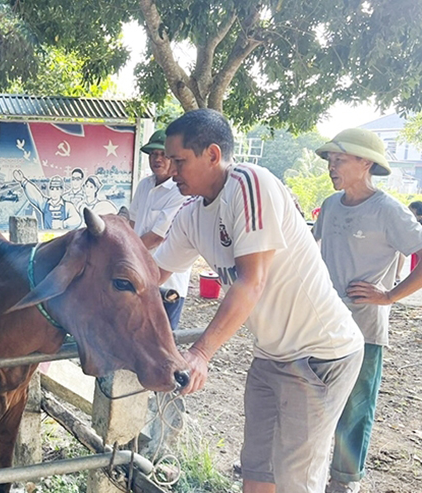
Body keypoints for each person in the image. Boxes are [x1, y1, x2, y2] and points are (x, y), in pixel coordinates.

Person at [153, 109, 364, 493]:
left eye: (180, 161)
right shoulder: (190, 215)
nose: (171, 170)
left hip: (320, 353)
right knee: (258, 474)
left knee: (295, 481)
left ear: (213, 155)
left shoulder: (250, 184)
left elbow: (252, 282)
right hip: (271, 356)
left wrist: (200, 353)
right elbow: (150, 277)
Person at [313, 128, 422, 493]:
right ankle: (301, 468)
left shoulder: (388, 210)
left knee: (355, 410)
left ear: (366, 163)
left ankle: (344, 482)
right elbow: (311, 253)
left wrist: (389, 296)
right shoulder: (330, 206)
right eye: (330, 160)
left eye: (339, 159)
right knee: (310, 399)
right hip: (322, 324)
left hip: (365, 329)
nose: (331, 166)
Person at [130, 127, 190, 330]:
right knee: (137, 335)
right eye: (153, 154)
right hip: (138, 274)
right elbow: (131, 223)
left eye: (163, 154)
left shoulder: (180, 191)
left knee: (164, 341)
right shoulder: (144, 185)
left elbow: (157, 237)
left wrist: (126, 254)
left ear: (173, 158)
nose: (157, 159)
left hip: (168, 283)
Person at [13, 170, 81, 229]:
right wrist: (23, 181)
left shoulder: (68, 206)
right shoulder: (44, 203)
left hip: (63, 240)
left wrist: (63, 224)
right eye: (52, 189)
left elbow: (77, 220)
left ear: (62, 191)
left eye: (57, 189)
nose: (54, 192)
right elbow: (35, 195)